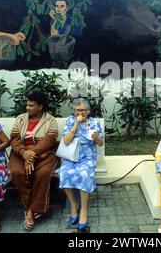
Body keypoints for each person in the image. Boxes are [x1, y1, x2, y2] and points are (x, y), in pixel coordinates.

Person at [9, 90, 59, 231]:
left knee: (42, 173)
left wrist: (31, 154)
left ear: (40, 106)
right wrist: (24, 153)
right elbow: (14, 139)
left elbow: (49, 140)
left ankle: (30, 210)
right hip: (21, 152)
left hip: (43, 153)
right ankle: (32, 207)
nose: (27, 108)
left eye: (31, 105)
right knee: (17, 171)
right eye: (27, 105)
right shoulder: (20, 119)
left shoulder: (50, 120)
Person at [59, 98, 104, 233]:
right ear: (74, 111)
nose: (80, 112)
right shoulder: (70, 121)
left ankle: (84, 209)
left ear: (88, 111)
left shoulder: (94, 122)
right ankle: (74, 204)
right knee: (64, 173)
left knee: (84, 175)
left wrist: (96, 137)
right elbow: (66, 141)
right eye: (78, 110)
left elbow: (100, 143)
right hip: (72, 155)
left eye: (83, 110)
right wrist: (76, 125)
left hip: (88, 156)